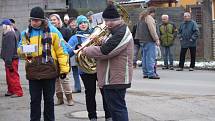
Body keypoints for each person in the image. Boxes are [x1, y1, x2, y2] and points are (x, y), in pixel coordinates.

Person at [18, 6, 70, 121]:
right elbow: (20, 51)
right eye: (32, 20)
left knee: (49, 101)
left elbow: (62, 51)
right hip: (33, 72)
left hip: (49, 72)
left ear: (42, 20)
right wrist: (24, 49)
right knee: (34, 101)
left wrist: (64, 70)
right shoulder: (25, 34)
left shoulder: (53, 32)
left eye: (36, 20)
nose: (34, 22)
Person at [83, 4, 133, 121]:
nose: (105, 24)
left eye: (106, 21)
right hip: (111, 78)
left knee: (118, 110)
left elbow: (105, 51)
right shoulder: (114, 32)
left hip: (116, 79)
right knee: (115, 110)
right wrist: (99, 41)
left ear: (111, 21)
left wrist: (86, 49)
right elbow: (106, 46)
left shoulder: (121, 32)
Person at [66, 15, 112, 121]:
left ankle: (109, 115)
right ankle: (92, 116)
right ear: (78, 25)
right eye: (81, 23)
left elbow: (105, 47)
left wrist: (101, 43)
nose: (83, 24)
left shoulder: (95, 33)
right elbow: (68, 52)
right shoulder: (74, 37)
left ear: (88, 23)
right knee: (90, 93)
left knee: (105, 92)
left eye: (85, 22)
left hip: (99, 66)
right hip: (85, 69)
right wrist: (75, 48)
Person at [49, 14, 74, 106]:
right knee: (56, 80)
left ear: (59, 20)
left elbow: (70, 45)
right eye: (51, 20)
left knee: (64, 79)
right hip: (53, 60)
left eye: (54, 20)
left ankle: (69, 98)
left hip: (63, 58)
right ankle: (60, 99)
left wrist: (65, 53)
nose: (52, 21)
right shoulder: (49, 31)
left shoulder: (66, 30)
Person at [135, 7, 160, 79]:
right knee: (150, 58)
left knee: (145, 58)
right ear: (152, 12)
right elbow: (152, 30)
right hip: (149, 40)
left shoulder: (141, 18)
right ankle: (151, 73)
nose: (154, 15)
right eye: (154, 13)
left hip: (142, 40)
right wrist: (156, 39)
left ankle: (145, 73)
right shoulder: (149, 18)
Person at [0, 19, 23, 98]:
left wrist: (8, 61)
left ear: (6, 25)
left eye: (2, 25)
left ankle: (18, 92)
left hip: (11, 59)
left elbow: (10, 48)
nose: (2, 27)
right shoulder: (7, 33)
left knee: (13, 75)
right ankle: (11, 90)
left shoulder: (9, 34)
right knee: (9, 76)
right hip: (9, 59)